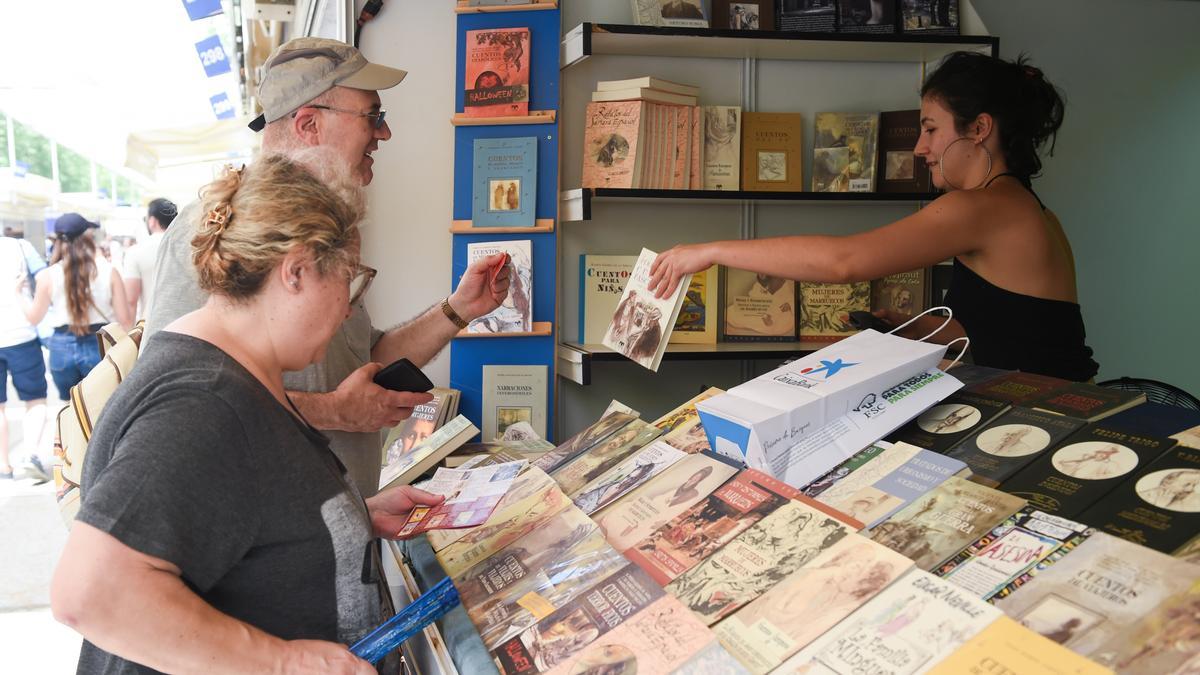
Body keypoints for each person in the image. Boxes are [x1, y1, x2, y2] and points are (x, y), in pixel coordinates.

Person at [51, 155, 444, 674]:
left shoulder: (235, 372)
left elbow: (229, 516)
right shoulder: (201, 401)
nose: (349, 308)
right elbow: (92, 591)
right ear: (297, 270)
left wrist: (346, 520)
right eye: (348, 279)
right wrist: (284, 663)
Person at [145, 37, 507, 497]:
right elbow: (179, 396)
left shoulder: (325, 225)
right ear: (309, 124)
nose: (385, 134)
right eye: (373, 117)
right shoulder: (217, 229)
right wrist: (335, 411)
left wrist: (458, 309)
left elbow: (363, 360)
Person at [649, 52, 1099, 382]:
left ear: (979, 129)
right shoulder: (1025, 205)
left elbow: (843, 261)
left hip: (1039, 417)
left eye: (930, 129)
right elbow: (1019, 332)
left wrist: (710, 250)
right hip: (1056, 403)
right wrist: (918, 328)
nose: (921, 148)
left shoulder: (981, 206)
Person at [22, 213, 133, 401]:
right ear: (88, 239)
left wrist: (19, 295)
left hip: (61, 347)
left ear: (58, 241)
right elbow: (126, 320)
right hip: (99, 344)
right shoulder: (108, 271)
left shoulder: (48, 276)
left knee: (70, 411)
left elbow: (34, 318)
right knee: (101, 409)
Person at [0, 236, 48, 480]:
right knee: (35, 400)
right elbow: (43, 279)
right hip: (22, 334)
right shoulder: (20, 246)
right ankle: (30, 455)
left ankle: (4, 466)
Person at [124, 198, 177, 320]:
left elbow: (131, 300)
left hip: (150, 326)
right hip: (184, 328)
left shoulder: (135, 252)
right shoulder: (189, 249)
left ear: (152, 221)